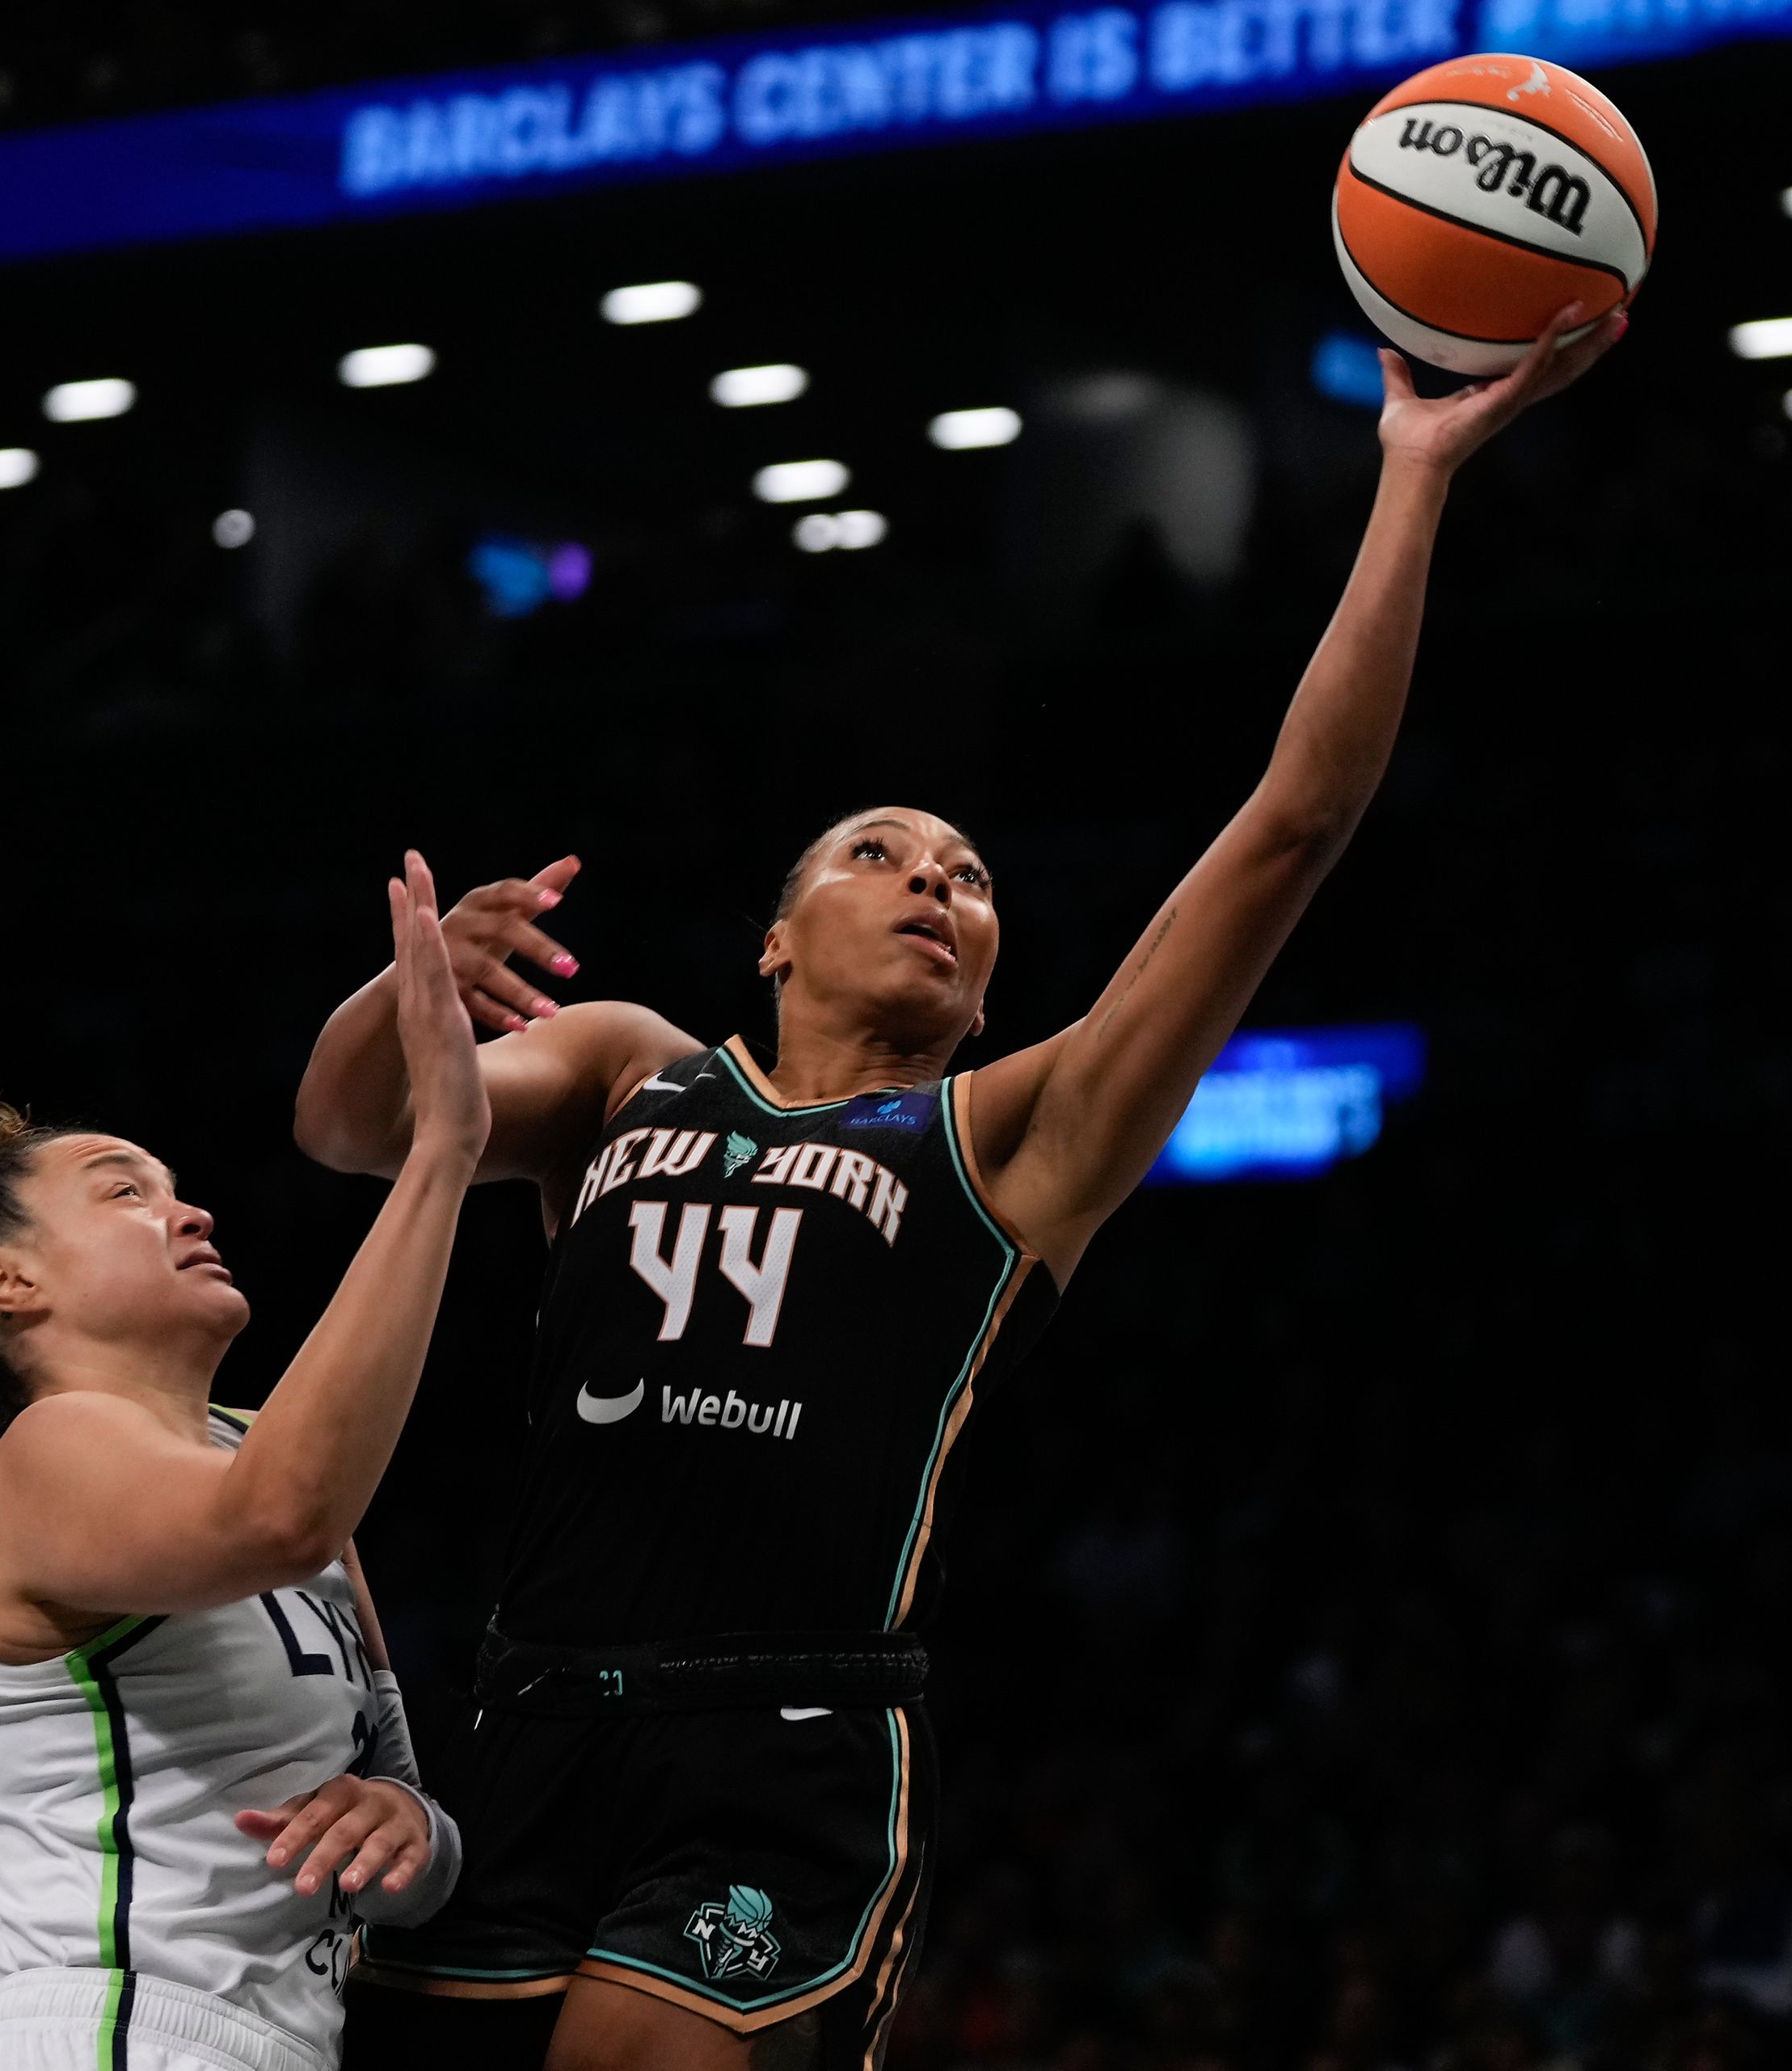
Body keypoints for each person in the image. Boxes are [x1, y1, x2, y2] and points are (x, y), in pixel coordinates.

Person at [293, 312, 1625, 2071]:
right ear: (775, 938)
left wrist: (1411, 474)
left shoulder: (1014, 1142)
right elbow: (349, 1129)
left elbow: (1295, 823)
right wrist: (413, 994)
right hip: (532, 1724)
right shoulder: (631, 1064)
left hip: (786, 1747)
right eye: (880, 854)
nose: (933, 878)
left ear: (991, 986)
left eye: (972, 876)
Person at [0, 856, 491, 2071]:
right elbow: (285, 1517)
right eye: (125, 1194)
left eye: (180, 1188)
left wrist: (415, 1827)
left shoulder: (259, 1451)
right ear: (9, 1282)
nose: (190, 1212)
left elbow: (397, 1826)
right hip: (110, 2030)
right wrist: (439, 1156)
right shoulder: (45, 1458)